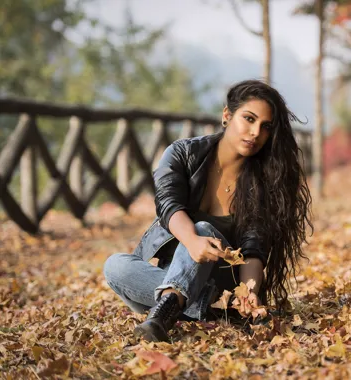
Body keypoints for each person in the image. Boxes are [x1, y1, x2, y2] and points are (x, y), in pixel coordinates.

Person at [103, 79, 313, 342]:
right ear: (227, 115)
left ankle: (166, 312)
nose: (255, 132)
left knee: (204, 229)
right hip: (180, 275)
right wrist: (191, 241)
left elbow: (254, 248)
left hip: (224, 280)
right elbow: (168, 205)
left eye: (265, 126)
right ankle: (201, 307)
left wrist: (248, 292)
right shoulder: (183, 153)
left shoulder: (263, 181)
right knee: (115, 266)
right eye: (249, 119)